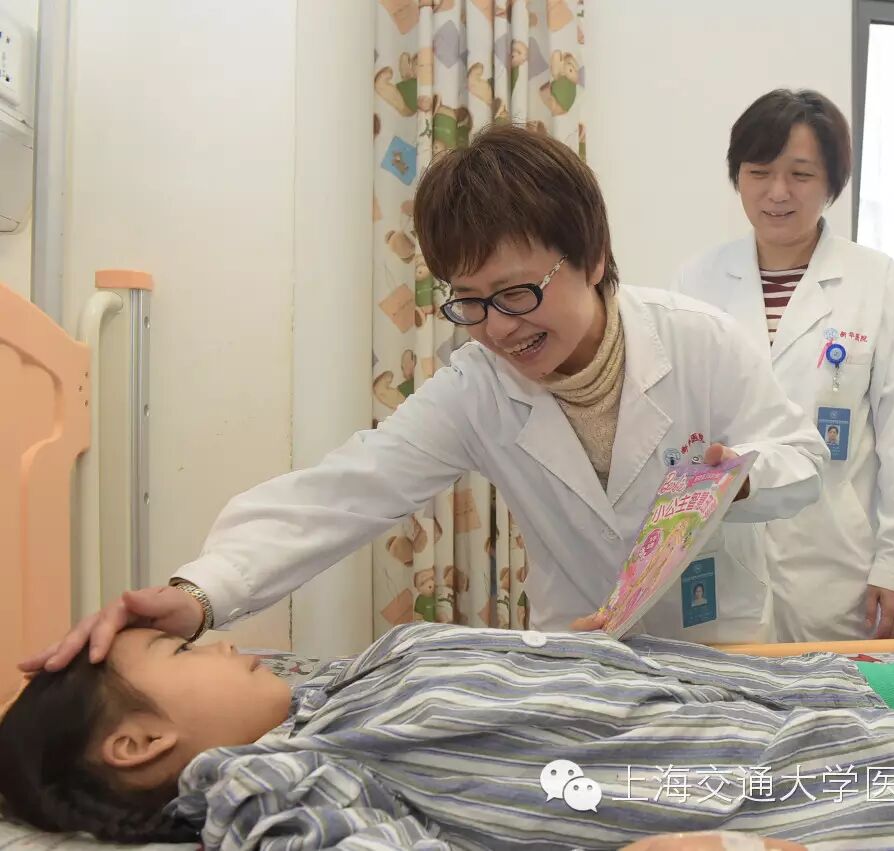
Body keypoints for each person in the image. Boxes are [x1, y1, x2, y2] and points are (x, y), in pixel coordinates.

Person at [22, 126, 829, 676]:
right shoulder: (477, 387)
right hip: (580, 656)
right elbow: (346, 491)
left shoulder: (697, 341)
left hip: (719, 640)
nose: (498, 327)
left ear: (591, 258)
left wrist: (739, 479)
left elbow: (803, 458)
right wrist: (201, 592)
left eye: (516, 292)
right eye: (468, 301)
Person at [4, 585, 894, 850]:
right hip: (732, 785)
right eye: (189, 651)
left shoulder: (323, 689)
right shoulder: (270, 777)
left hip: (698, 702)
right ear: (140, 742)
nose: (225, 638)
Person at [674, 89, 894, 642]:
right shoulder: (697, 281)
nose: (778, 192)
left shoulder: (875, 281)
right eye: (759, 172)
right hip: (722, 556)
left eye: (800, 174)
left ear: (832, 183)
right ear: (738, 177)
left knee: (833, 695)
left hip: (833, 564)